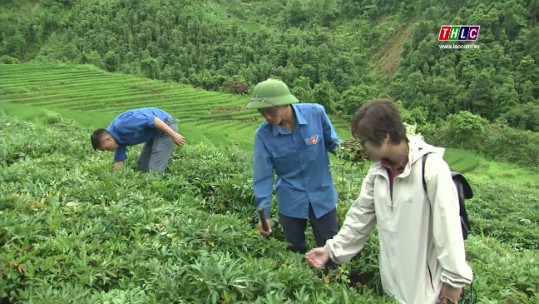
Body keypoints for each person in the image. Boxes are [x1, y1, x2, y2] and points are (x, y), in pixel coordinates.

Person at [305, 99, 473, 304]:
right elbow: (361, 217)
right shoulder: (378, 172)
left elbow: (449, 231)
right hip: (393, 286)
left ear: (385, 138)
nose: (362, 148)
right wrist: (331, 251)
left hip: (427, 291)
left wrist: (453, 285)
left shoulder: (431, 169)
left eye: (364, 141)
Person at [247, 78, 341, 254]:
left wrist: (356, 152)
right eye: (262, 112)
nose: (267, 116)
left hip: (322, 196)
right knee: (294, 250)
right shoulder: (263, 135)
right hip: (291, 201)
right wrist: (264, 215)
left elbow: (333, 143)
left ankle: (331, 279)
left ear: (285, 103)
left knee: (331, 249)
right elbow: (263, 177)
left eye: (271, 110)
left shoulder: (316, 114)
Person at [90, 107, 185, 174]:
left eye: (106, 148)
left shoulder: (123, 124)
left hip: (166, 126)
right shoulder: (117, 140)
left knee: (155, 168)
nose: (109, 151)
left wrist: (173, 134)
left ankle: (153, 194)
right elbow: (119, 161)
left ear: (108, 139)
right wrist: (113, 181)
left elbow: (153, 120)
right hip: (153, 132)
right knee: (142, 165)